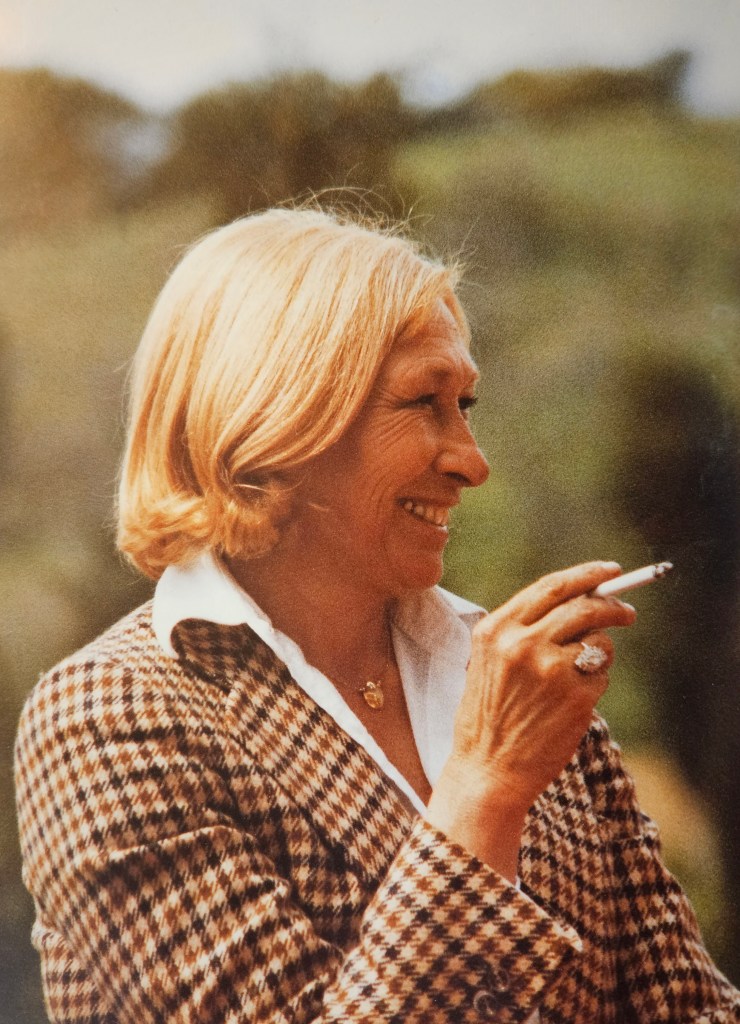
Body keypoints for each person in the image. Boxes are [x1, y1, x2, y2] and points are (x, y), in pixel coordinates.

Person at [15, 205, 740, 1024]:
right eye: (425, 402)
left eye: (467, 404)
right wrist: (485, 785)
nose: (472, 462)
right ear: (277, 420)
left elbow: (688, 1007)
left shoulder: (514, 686)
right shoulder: (110, 719)